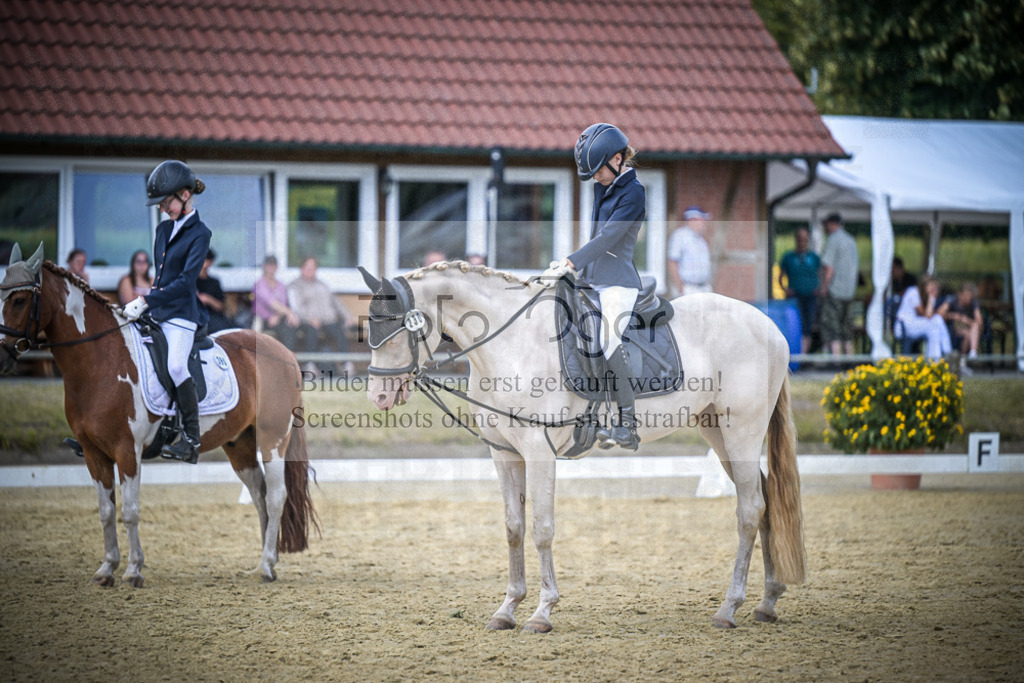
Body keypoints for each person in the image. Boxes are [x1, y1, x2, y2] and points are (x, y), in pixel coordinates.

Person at [543, 122, 645, 451]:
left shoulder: (634, 192)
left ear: (617, 159)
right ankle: (589, 414)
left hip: (619, 282)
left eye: (598, 171)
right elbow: (594, 236)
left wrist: (570, 261)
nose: (595, 178)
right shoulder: (603, 186)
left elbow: (609, 237)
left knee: (607, 338)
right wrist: (576, 273)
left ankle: (628, 424)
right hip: (592, 281)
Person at [121, 160, 212, 464]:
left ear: (185, 195)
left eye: (165, 202)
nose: (161, 209)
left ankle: (191, 439)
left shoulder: (200, 233)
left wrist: (146, 300)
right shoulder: (162, 229)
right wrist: (147, 304)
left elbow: (185, 282)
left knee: (175, 366)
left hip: (183, 316)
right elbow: (160, 278)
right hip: (158, 311)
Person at [288, 256, 355, 375]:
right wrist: (310, 319)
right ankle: (310, 365)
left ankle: (346, 364)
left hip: (328, 320)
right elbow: (296, 307)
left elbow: (336, 302)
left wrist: (348, 316)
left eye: (313, 267)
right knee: (312, 331)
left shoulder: (322, 284)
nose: (310, 270)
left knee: (339, 330)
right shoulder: (295, 286)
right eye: (308, 267)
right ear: (301, 268)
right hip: (307, 321)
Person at [818, 212, 859, 355]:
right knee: (846, 328)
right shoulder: (851, 240)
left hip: (835, 291)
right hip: (849, 292)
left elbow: (829, 268)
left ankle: (836, 362)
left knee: (832, 327)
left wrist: (823, 288)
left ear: (831, 223)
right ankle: (849, 359)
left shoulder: (833, 240)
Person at [778, 227, 820, 354]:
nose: (802, 241)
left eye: (805, 238)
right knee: (794, 326)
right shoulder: (789, 257)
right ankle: (795, 356)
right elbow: (780, 276)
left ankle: (803, 357)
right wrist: (785, 290)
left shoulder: (814, 257)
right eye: (800, 238)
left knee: (808, 326)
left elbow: (821, 272)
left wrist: (820, 288)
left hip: (810, 296)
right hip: (794, 296)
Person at [895, 275, 952, 360]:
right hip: (904, 326)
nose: (934, 290)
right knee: (936, 321)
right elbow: (926, 315)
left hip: (915, 325)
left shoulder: (926, 296)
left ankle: (935, 360)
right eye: (932, 287)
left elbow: (930, 315)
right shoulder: (913, 292)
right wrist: (931, 297)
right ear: (924, 286)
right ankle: (947, 353)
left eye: (935, 288)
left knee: (935, 327)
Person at [251, 255, 300, 349]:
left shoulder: (281, 285)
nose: (271, 268)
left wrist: (278, 316)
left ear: (276, 267)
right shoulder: (260, 284)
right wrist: (290, 313)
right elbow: (272, 303)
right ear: (264, 266)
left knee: (291, 326)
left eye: (273, 265)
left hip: (278, 318)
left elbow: (283, 304)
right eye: (269, 265)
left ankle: (289, 358)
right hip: (262, 320)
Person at [667, 206, 712, 296]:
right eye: (702, 220)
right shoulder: (680, 236)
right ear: (693, 219)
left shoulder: (701, 240)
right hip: (688, 288)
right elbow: (672, 262)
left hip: (703, 288)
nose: (704, 223)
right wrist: (680, 288)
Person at [942, 281, 982, 365]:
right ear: (960, 294)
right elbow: (939, 314)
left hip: (970, 329)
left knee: (973, 328)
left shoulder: (974, 303)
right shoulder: (952, 300)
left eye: (970, 296)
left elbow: (979, 322)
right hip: (954, 328)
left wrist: (965, 320)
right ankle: (964, 361)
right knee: (967, 334)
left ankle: (972, 354)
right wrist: (953, 316)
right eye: (966, 296)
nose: (969, 298)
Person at [196, 249, 233, 333]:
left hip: (213, 317)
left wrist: (208, 299)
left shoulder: (214, 282)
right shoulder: (189, 281)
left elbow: (221, 307)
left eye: (206, 260)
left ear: (210, 262)